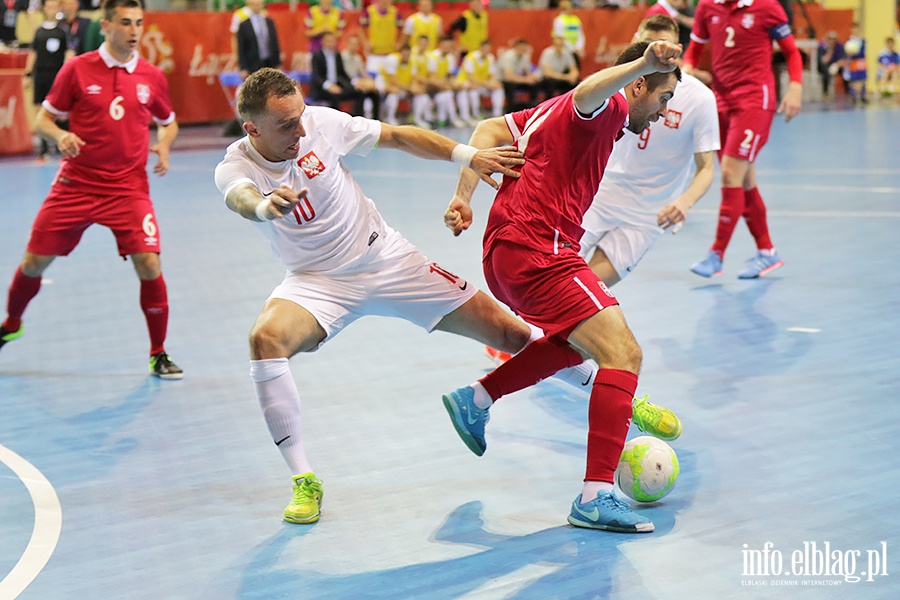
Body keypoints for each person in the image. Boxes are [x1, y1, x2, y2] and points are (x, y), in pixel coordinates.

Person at [212, 67, 529, 524]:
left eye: (300, 117)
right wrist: (264, 207)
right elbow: (239, 197)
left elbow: (399, 136)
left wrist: (469, 155)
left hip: (387, 259)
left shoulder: (321, 123)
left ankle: (608, 390)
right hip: (316, 281)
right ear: (252, 129)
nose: (300, 130)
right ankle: (304, 480)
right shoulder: (235, 165)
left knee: (510, 332)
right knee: (266, 340)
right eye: (285, 125)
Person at [441, 39, 682, 533]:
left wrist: (463, 196)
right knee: (624, 354)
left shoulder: (546, 110)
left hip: (509, 253)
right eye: (661, 98)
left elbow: (487, 130)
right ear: (637, 85)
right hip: (538, 252)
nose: (662, 113)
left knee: (574, 346)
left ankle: (478, 398)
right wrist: (643, 64)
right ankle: (596, 495)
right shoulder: (607, 104)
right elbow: (589, 91)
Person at [0, 0, 182, 380]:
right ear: (106, 25)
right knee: (34, 263)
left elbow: (168, 122)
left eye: (139, 23)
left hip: (128, 190)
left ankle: (158, 352)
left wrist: (163, 145)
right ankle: (11, 323)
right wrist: (61, 135)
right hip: (76, 185)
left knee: (149, 264)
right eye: (125, 23)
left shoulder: (151, 76)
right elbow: (43, 119)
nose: (134, 31)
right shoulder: (77, 69)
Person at [581, 15, 718, 287]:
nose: (658, 54)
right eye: (649, 46)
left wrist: (684, 202)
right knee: (551, 276)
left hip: (646, 215)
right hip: (597, 196)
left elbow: (707, 168)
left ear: (677, 50)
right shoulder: (616, 83)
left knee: (587, 290)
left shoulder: (700, 98)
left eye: (665, 48)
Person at [683, 0, 803, 279]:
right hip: (721, 101)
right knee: (744, 179)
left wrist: (795, 87)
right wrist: (686, 70)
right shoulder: (707, 7)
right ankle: (767, 252)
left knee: (730, 173)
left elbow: (792, 52)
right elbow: (695, 50)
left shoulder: (767, 7)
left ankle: (716, 255)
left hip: (754, 101)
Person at [23, 0, 69, 161]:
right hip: (40, 75)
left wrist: (67, 76)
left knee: (58, 111)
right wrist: (28, 74)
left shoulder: (63, 31)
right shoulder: (39, 32)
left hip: (56, 76)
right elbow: (33, 53)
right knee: (39, 110)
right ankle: (43, 148)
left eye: (55, 7)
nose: (52, 10)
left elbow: (68, 54)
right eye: (49, 7)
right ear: (44, 9)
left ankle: (59, 144)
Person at [309, 30, 362, 114]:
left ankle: (358, 119)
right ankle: (336, 122)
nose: (331, 43)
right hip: (323, 88)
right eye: (328, 41)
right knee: (334, 96)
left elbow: (343, 74)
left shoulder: (337, 55)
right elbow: (316, 77)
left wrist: (354, 82)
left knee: (359, 91)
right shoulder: (317, 56)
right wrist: (329, 85)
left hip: (337, 85)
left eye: (333, 41)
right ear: (323, 42)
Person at [456, 38, 504, 123]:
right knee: (473, 91)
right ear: (480, 48)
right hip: (466, 82)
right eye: (485, 49)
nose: (486, 51)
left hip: (482, 84)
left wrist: (493, 83)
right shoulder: (471, 58)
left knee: (498, 88)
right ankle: (475, 114)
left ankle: (497, 114)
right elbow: (470, 77)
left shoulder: (490, 58)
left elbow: (491, 75)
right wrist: (487, 84)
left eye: (488, 49)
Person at [340, 32, 380, 119]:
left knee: (374, 92)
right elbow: (342, 75)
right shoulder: (341, 57)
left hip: (357, 81)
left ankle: (376, 119)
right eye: (353, 44)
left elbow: (363, 73)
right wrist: (359, 83)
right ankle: (359, 118)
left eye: (357, 45)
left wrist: (371, 83)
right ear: (348, 44)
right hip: (346, 82)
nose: (355, 47)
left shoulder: (357, 58)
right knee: (361, 91)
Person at [236, 0, 280, 80]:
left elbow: (274, 42)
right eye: (254, 5)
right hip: (252, 64)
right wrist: (243, 67)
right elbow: (241, 48)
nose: (256, 7)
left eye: (258, 4)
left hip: (269, 62)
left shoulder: (269, 22)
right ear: (249, 5)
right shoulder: (244, 25)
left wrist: (277, 63)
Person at [359, 0, 402, 76]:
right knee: (372, 79)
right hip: (374, 53)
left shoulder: (395, 12)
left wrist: (400, 43)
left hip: (390, 53)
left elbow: (402, 29)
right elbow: (360, 28)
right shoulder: (370, 11)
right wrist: (365, 43)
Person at [497, 38, 540, 111]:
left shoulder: (524, 56)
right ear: (515, 47)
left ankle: (533, 109)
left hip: (518, 80)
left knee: (534, 84)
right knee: (511, 85)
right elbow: (509, 77)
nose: (522, 49)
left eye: (524, 47)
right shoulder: (508, 57)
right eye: (520, 47)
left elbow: (528, 72)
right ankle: (511, 110)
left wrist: (532, 78)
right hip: (503, 81)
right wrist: (526, 80)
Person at [538, 34, 579, 99]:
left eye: (561, 45)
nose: (559, 47)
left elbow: (574, 69)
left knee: (575, 83)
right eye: (557, 45)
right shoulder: (547, 53)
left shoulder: (566, 53)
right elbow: (548, 73)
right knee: (549, 82)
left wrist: (573, 76)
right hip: (547, 78)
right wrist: (566, 77)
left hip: (561, 78)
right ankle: (549, 105)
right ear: (553, 45)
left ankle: (569, 102)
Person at [552, 0, 584, 69]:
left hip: (576, 51)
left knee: (576, 70)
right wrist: (572, 49)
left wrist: (579, 48)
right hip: (565, 51)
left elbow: (580, 35)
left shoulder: (575, 19)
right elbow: (560, 37)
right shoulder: (559, 20)